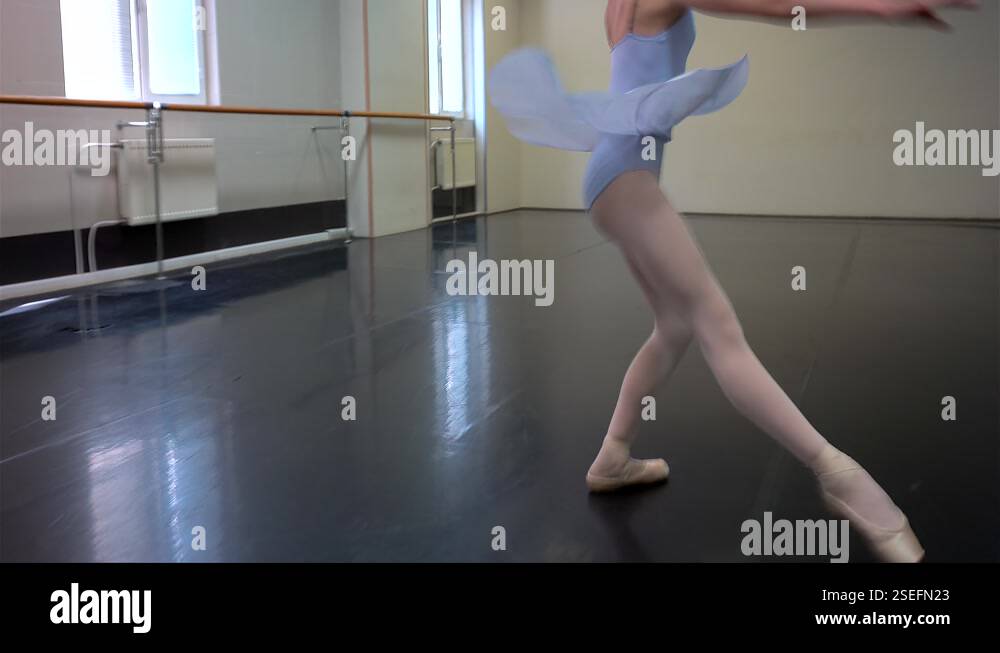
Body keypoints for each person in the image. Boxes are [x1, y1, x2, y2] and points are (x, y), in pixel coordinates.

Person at [489, 0, 979, 563]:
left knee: (674, 326)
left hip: (610, 178)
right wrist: (881, 8)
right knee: (717, 325)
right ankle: (844, 478)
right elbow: (780, 8)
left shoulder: (616, 7)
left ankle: (613, 457)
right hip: (625, 176)